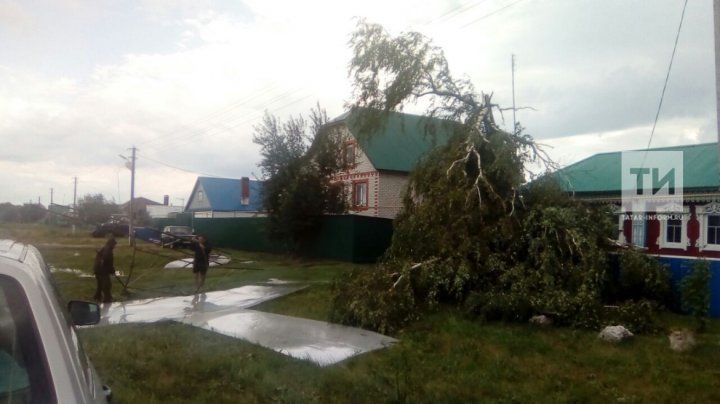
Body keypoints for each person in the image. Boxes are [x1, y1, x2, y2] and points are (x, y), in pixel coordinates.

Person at [93, 236, 116, 303]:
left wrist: (111, 270)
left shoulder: (105, 248)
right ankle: (107, 298)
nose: (114, 246)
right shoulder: (108, 250)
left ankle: (97, 296)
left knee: (100, 283)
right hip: (101, 270)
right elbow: (106, 261)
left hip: (97, 269)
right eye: (114, 244)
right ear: (111, 243)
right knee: (107, 285)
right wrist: (111, 270)